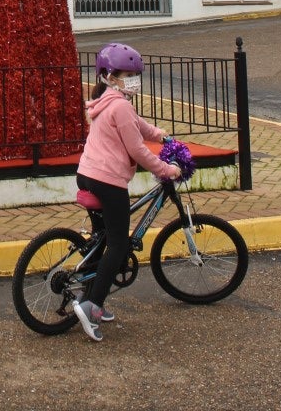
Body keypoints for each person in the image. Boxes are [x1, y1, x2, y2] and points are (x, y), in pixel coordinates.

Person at [72, 41, 180, 342]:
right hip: (108, 181)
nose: (133, 80)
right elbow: (136, 148)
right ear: (109, 75)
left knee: (101, 238)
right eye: (127, 74)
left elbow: (138, 126)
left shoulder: (108, 100)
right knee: (119, 245)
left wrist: (161, 134)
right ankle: (91, 307)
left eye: (135, 74)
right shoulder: (118, 104)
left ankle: (86, 292)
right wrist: (164, 169)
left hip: (87, 175)